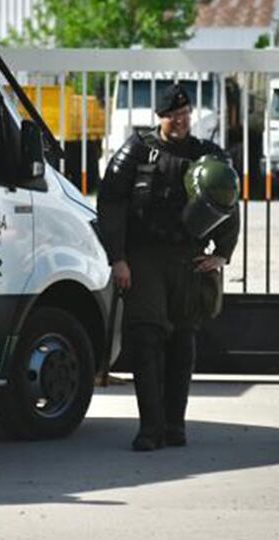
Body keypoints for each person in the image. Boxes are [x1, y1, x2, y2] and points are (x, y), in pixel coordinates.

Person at [97, 84, 237, 451]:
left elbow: (228, 199)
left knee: (183, 342)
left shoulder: (206, 154)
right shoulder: (137, 150)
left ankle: (175, 426)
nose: (180, 121)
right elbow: (110, 202)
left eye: (185, 114)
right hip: (145, 258)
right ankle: (149, 428)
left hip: (188, 258)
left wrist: (222, 253)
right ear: (160, 118)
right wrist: (118, 258)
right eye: (173, 116)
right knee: (145, 339)